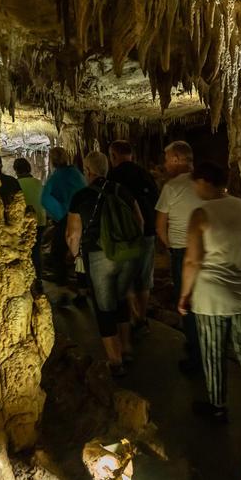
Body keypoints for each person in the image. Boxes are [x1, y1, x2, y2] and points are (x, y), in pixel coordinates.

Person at [178, 161, 241, 423]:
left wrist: (184, 294)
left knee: (213, 351)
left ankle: (217, 406)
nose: (194, 188)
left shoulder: (202, 214)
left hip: (213, 294)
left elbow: (192, 260)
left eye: (196, 182)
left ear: (204, 181)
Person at [66, 152, 144, 377]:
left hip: (99, 255)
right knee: (121, 300)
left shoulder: (81, 196)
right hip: (127, 253)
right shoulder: (121, 190)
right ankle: (127, 347)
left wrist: (77, 256)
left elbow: (73, 234)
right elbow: (139, 221)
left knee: (104, 307)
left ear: (88, 171)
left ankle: (115, 360)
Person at [155, 140, 204, 372]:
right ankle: (209, 347)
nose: (165, 164)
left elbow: (160, 225)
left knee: (187, 303)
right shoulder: (205, 183)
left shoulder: (171, 187)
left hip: (183, 252)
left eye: (167, 159)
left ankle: (196, 354)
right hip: (208, 250)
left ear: (176, 159)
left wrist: (169, 246)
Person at [108, 140, 159, 333]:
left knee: (125, 277)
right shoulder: (144, 174)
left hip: (124, 235)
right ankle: (142, 318)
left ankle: (130, 316)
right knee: (144, 277)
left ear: (113, 156)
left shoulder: (114, 176)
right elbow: (156, 202)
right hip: (147, 234)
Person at [41, 147, 87, 285]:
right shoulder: (77, 174)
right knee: (80, 252)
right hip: (82, 217)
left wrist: (58, 213)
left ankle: (61, 281)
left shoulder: (56, 177)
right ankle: (82, 284)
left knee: (57, 252)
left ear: (53, 161)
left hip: (65, 218)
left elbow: (44, 198)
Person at [14, 157, 46, 275]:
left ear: (16, 170)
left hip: (24, 221)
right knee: (36, 250)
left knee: (25, 249)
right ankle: (38, 275)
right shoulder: (38, 183)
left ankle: (29, 275)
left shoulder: (16, 184)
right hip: (41, 221)